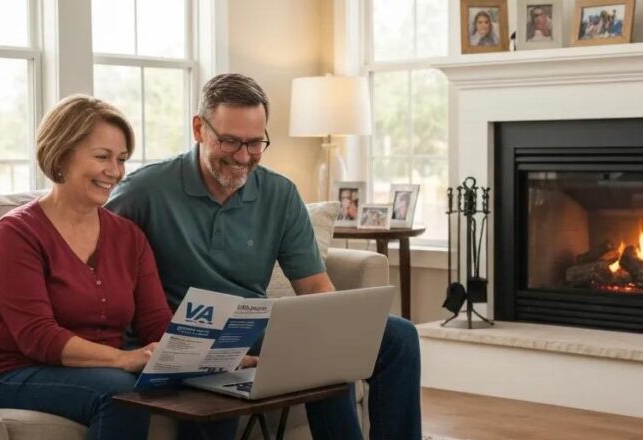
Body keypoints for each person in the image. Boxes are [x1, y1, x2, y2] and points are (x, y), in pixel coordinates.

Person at [106, 73, 422, 440]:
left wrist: (337, 329)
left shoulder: (280, 193)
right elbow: (97, 263)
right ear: (198, 129)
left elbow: (314, 284)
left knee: (398, 336)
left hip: (256, 327)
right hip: (188, 335)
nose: (243, 157)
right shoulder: (143, 192)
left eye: (255, 143)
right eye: (230, 142)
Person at [0, 95, 174, 439]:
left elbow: (155, 322)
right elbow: (37, 337)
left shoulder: (129, 236)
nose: (115, 172)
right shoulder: (16, 232)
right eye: (102, 157)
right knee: (122, 392)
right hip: (14, 371)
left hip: (101, 371)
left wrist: (208, 361)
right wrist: (123, 359)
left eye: (121, 159)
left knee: (210, 388)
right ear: (61, 154)